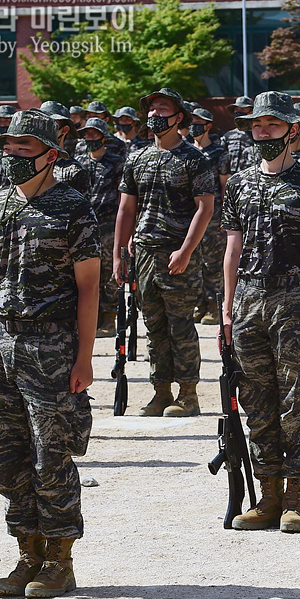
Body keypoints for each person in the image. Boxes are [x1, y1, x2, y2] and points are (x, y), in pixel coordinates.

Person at [0, 108, 99, 599]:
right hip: (2, 344)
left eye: (25, 148)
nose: (13, 154)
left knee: (52, 454)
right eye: (9, 146)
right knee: (8, 454)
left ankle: (59, 558)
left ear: (50, 155)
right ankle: (27, 551)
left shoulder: (73, 206)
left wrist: (84, 358)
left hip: (53, 344)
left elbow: (88, 288)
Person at [220, 91, 300, 533]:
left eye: (271, 124)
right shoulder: (240, 183)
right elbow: (232, 251)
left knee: (296, 402)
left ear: (294, 130)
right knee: (257, 401)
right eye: (257, 125)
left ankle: (296, 497)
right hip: (248, 300)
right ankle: (266, 494)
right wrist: (227, 308)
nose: (262, 131)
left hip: (296, 301)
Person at [115, 88, 215, 417]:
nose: (156, 114)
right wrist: (119, 252)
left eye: (163, 109)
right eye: (152, 109)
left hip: (178, 253)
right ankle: (161, 391)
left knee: (180, 325)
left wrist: (186, 250)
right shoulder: (137, 158)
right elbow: (126, 209)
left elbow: (205, 208)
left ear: (178, 118)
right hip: (145, 251)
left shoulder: (194, 159)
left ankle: (188, 394)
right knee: (153, 325)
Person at [76, 117, 127, 335]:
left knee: (108, 272)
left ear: (103, 137)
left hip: (107, 224)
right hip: (82, 226)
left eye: (93, 134)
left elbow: (123, 195)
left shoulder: (116, 162)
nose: (89, 138)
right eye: (86, 134)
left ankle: (108, 318)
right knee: (85, 273)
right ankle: (91, 317)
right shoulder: (77, 163)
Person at [188, 106, 229, 325]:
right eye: (192, 121)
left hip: (213, 216)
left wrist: (225, 217)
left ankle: (214, 304)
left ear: (208, 126)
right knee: (195, 262)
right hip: (190, 215)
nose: (195, 126)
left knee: (213, 261)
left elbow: (224, 187)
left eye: (199, 122)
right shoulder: (185, 151)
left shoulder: (219, 153)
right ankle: (200, 302)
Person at [223, 96, 258, 175]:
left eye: (242, 109)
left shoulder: (259, 135)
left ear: (251, 111)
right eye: (236, 109)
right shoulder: (227, 136)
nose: (238, 111)